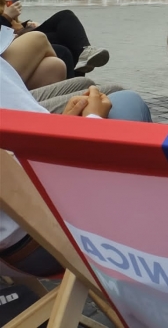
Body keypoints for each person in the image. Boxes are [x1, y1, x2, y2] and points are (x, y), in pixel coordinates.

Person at [0, 25, 152, 277]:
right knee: (128, 102)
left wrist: (64, 125)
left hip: (15, 241)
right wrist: (93, 121)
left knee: (97, 93)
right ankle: (140, 246)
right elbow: (37, 172)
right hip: (39, 239)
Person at [0, 0, 109, 77]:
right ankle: (74, 84)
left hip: (16, 39)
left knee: (65, 18)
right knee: (63, 50)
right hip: (7, 48)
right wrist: (6, 17)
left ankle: (84, 52)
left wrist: (25, 25)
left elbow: (8, 28)